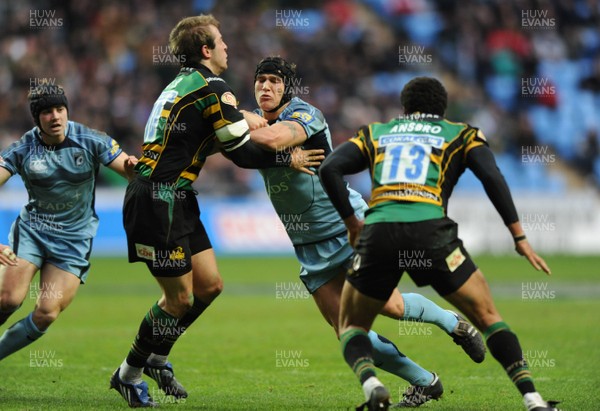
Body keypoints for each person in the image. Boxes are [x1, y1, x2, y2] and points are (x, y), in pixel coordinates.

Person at [109, 15, 323, 408]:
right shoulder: (212, 87)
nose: (227, 46)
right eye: (221, 41)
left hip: (177, 197)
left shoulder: (182, 85)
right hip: (157, 200)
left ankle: (158, 356)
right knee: (177, 301)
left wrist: (240, 119)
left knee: (210, 286)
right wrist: (285, 157)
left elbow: (207, 138)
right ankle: (128, 373)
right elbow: (240, 155)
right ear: (206, 50)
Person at [247, 57, 486, 408]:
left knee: (389, 305)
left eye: (273, 81)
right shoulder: (252, 119)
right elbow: (240, 153)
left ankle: (454, 324)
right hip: (308, 243)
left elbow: (273, 139)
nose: (265, 87)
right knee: (346, 330)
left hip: (348, 226)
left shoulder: (305, 114)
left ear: (287, 88)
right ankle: (426, 382)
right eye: (260, 80)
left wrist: (233, 125)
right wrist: (253, 138)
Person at [318, 76, 561, 411]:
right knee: (488, 317)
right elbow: (492, 177)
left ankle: (372, 384)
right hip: (431, 233)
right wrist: (519, 236)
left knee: (351, 326)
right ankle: (533, 400)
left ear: (404, 109)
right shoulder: (461, 133)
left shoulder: (376, 132)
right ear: (442, 109)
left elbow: (330, 167)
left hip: (379, 233)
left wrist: (352, 225)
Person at [0, 84, 137, 362]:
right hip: (33, 232)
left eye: (60, 109)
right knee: (8, 299)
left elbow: (130, 172)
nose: (55, 117)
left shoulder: (91, 140)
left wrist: (134, 169)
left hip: (74, 239)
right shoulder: (24, 148)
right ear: (36, 118)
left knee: (47, 312)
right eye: (47, 112)